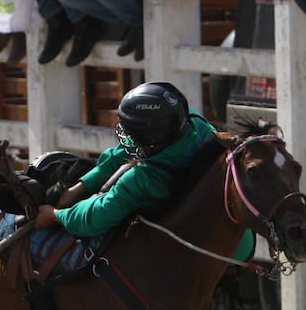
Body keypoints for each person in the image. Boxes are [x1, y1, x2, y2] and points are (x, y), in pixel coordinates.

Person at [30, 82, 251, 263]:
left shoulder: (145, 179)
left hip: (220, 255)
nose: (127, 138)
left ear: (153, 140)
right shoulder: (195, 124)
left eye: (134, 134)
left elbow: (95, 217)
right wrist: (79, 188)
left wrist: (55, 215)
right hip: (241, 238)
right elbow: (121, 154)